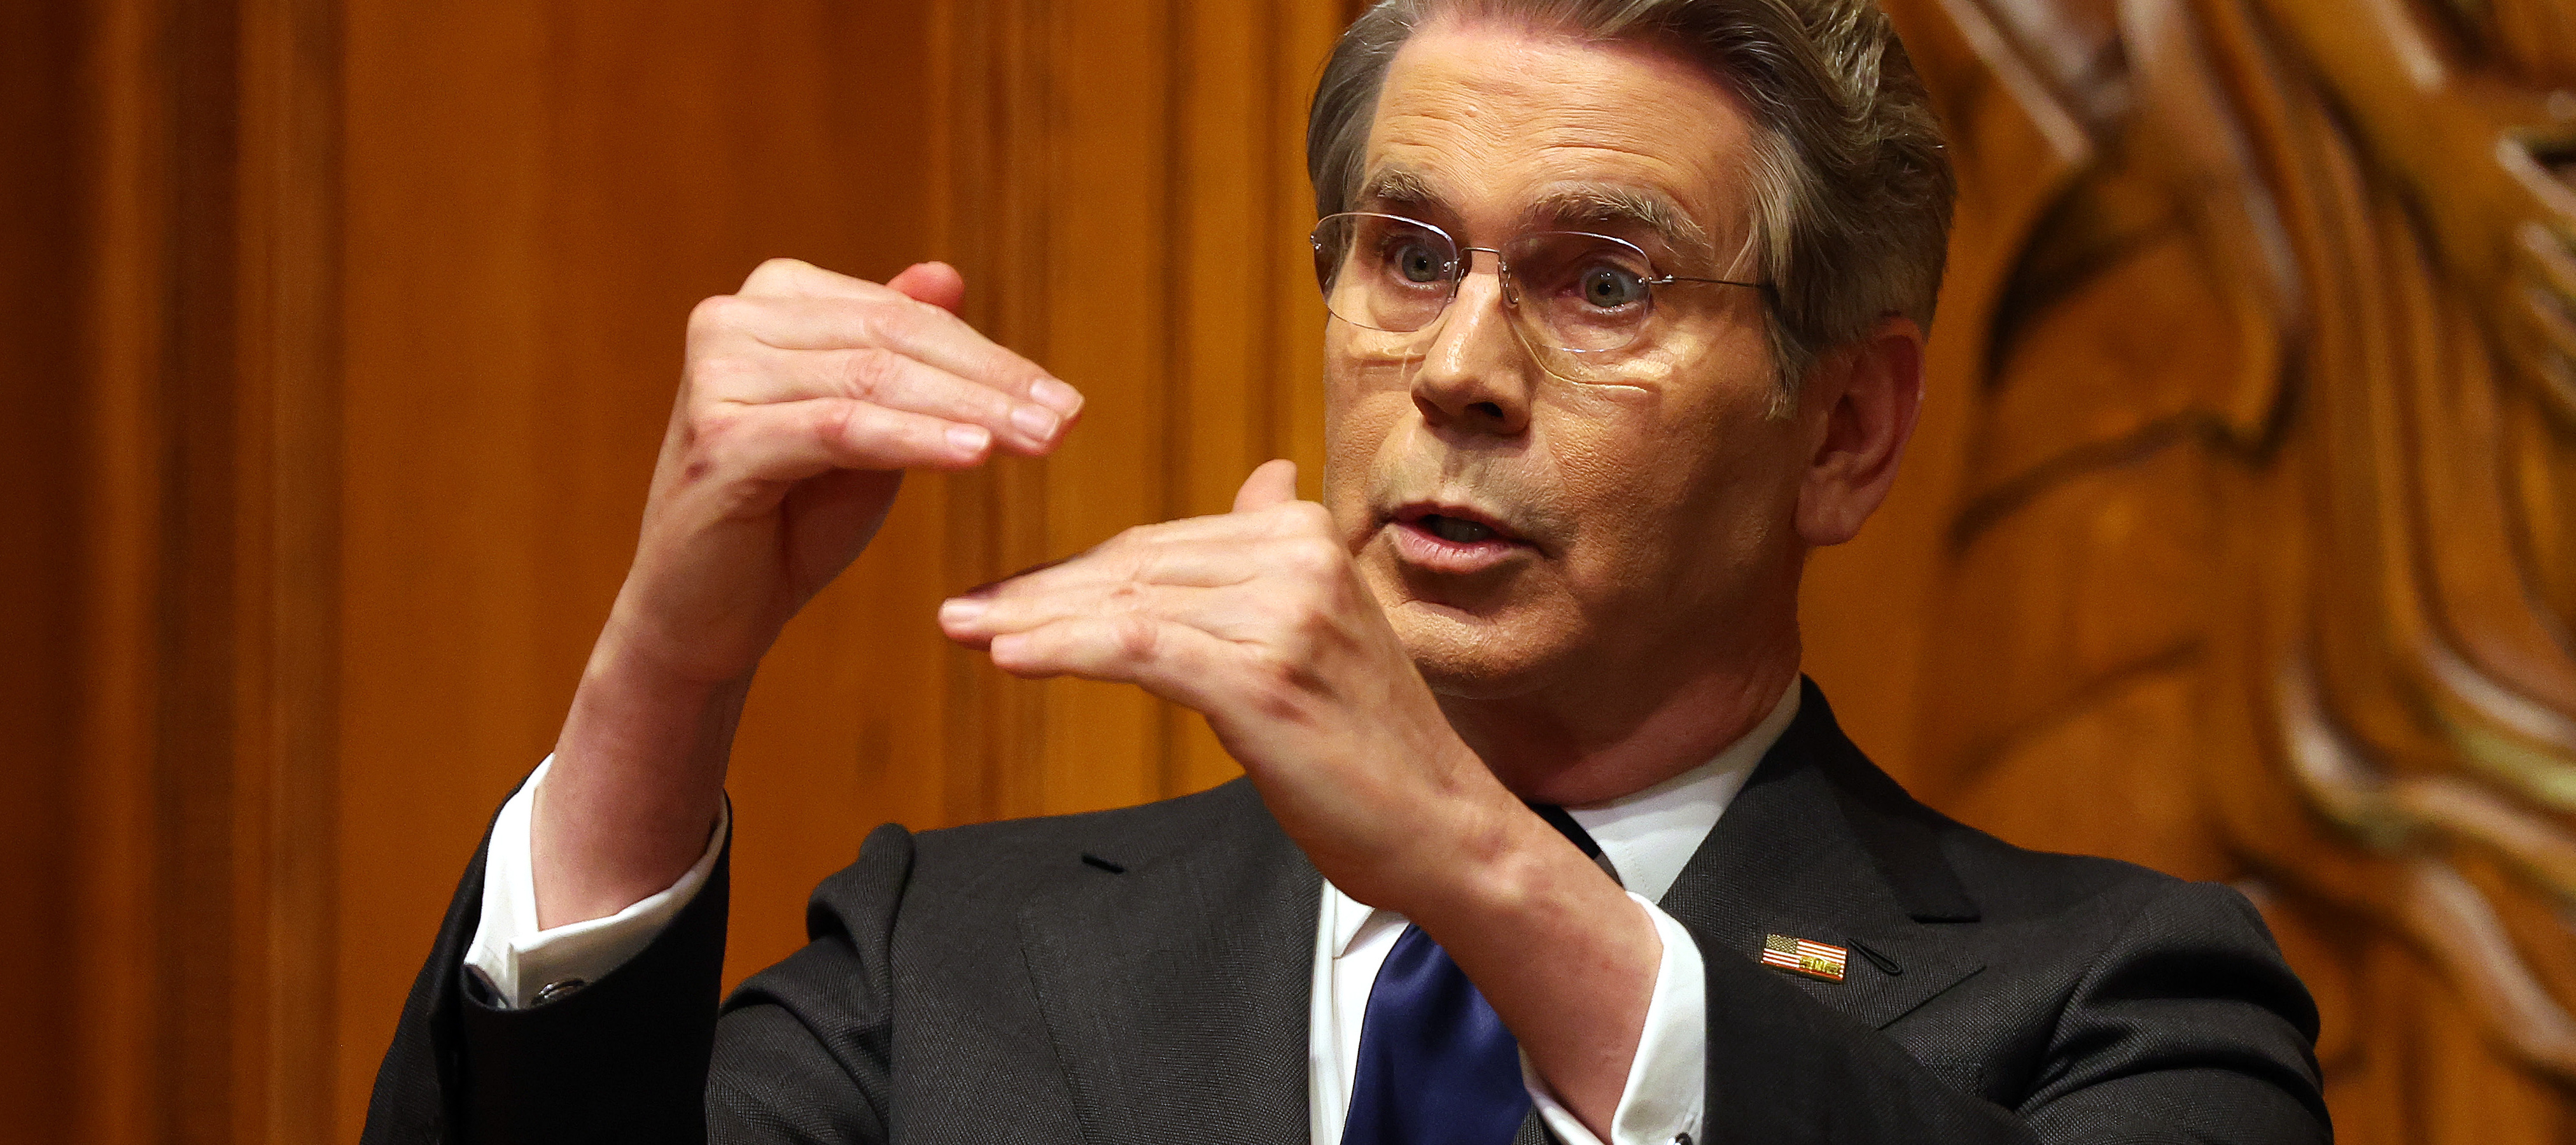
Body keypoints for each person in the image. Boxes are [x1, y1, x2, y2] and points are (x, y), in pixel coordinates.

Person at [361, 1, 2328, 1142]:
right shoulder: (946, 972)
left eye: (1607, 278)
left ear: (1845, 432)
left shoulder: (2114, 1007)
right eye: (1408, 252)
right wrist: (664, 675)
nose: (1463, 370)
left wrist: (1478, 875)